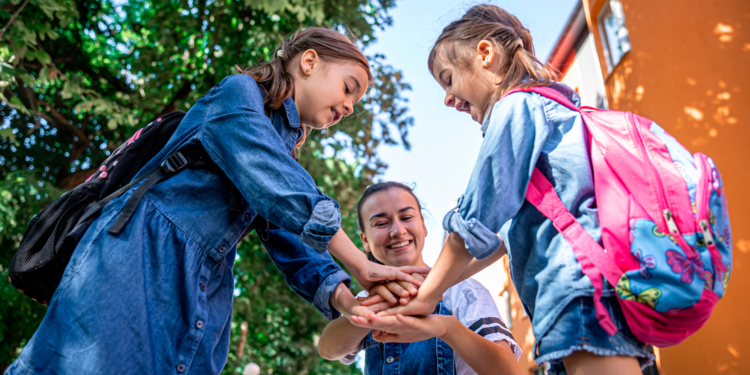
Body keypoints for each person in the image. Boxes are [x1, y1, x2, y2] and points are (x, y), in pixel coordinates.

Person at [4, 27, 425, 375]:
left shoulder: (284, 151)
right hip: (139, 256)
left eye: (355, 103)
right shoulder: (237, 95)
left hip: (206, 284)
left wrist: (347, 300)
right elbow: (271, 175)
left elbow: (293, 242)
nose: (349, 106)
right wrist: (362, 263)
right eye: (349, 88)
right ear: (309, 62)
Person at [352, 5, 655, 375]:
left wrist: (426, 298)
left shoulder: (517, 108)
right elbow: (497, 242)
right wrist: (423, 284)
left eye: (448, 79)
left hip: (576, 294)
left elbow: (473, 224)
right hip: (588, 292)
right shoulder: (552, 113)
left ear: (485, 54)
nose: (447, 98)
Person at [319, 182, 522, 375]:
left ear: (423, 226)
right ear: (365, 241)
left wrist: (448, 330)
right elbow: (327, 348)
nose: (398, 231)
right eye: (381, 223)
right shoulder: (367, 298)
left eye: (406, 217)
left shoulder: (463, 292)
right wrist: (371, 312)